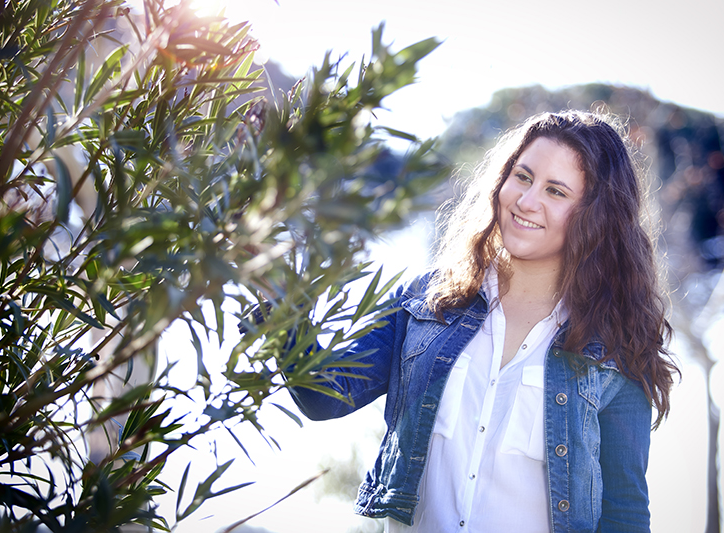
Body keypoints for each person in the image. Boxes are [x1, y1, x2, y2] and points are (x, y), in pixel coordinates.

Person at [285, 110, 679, 532]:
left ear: (596, 216)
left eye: (555, 191)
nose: (526, 201)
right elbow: (325, 395)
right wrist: (278, 301)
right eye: (522, 177)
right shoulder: (427, 301)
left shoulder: (616, 350)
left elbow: (624, 514)